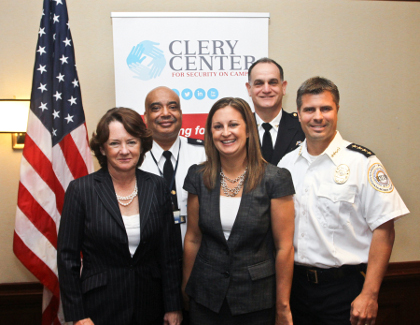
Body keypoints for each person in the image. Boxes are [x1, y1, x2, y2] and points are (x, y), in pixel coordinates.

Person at [278, 77, 410, 325]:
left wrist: (369, 294)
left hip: (344, 291)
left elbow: (385, 230)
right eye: (309, 109)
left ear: (337, 110)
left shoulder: (363, 162)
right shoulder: (286, 165)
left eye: (325, 108)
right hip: (296, 291)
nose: (318, 117)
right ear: (298, 114)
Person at [57, 107, 183, 325]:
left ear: (141, 145)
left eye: (131, 142)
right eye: (115, 143)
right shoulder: (81, 190)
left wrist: (173, 306)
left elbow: (169, 253)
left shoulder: (158, 186)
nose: (124, 150)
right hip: (99, 309)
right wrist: (77, 314)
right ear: (103, 149)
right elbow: (67, 258)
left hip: (151, 307)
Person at [182, 97, 295, 325]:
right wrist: (185, 292)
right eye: (218, 126)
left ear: (248, 131)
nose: (226, 133)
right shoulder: (198, 176)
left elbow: (284, 248)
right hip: (205, 300)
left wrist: (283, 307)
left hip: (256, 300)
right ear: (210, 133)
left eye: (233, 124)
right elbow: (193, 239)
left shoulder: (275, 179)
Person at [141, 86, 206, 248]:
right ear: (146, 116)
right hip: (151, 256)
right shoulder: (135, 157)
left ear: (181, 114)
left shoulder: (204, 153)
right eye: (156, 108)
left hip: (198, 252)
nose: (165, 113)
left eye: (172, 107)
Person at [246, 57, 305, 165]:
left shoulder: (303, 126)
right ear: (249, 89)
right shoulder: (239, 128)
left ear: (283, 87)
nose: (266, 90)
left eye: (273, 83)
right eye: (259, 83)